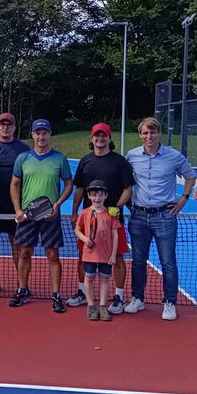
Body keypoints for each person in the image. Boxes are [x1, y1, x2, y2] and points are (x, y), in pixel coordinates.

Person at [124, 117, 197, 321]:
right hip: (137, 217)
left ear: (159, 134)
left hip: (165, 216)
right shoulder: (131, 156)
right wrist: (129, 204)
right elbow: (125, 181)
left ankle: (170, 302)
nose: (149, 136)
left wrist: (184, 198)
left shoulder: (174, 156)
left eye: (153, 132)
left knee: (168, 262)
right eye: (145, 133)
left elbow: (191, 176)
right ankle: (137, 299)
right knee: (138, 261)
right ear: (140, 135)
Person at [68, 123, 134, 314]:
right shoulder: (85, 161)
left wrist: (116, 208)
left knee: (118, 256)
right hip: (89, 221)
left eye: (103, 135)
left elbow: (128, 189)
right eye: (96, 136)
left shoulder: (120, 162)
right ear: (92, 138)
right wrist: (74, 211)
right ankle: (82, 293)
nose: (100, 139)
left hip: (112, 220)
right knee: (83, 255)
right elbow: (79, 188)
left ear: (109, 138)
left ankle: (119, 296)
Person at [9, 119, 72, 313]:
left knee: (52, 255)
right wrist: (19, 210)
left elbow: (69, 184)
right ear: (33, 135)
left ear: (49, 134)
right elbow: (14, 185)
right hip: (28, 216)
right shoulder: (23, 158)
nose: (41, 136)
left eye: (44, 132)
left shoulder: (59, 159)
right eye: (38, 133)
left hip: (50, 216)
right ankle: (22, 290)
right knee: (24, 253)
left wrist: (58, 204)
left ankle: (56, 295)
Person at [0, 112, 30, 293]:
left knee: (16, 242)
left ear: (14, 127)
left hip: (15, 205)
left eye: (9, 124)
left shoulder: (24, 150)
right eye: (2, 124)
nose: (5, 127)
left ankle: (21, 284)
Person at [74, 180, 120, 321]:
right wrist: (84, 239)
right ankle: (91, 305)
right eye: (94, 195)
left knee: (105, 279)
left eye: (100, 195)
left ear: (105, 196)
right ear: (89, 196)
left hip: (106, 255)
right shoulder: (85, 213)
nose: (97, 198)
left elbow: (115, 234)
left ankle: (102, 306)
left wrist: (113, 255)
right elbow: (77, 229)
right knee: (89, 278)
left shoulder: (111, 214)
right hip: (90, 255)